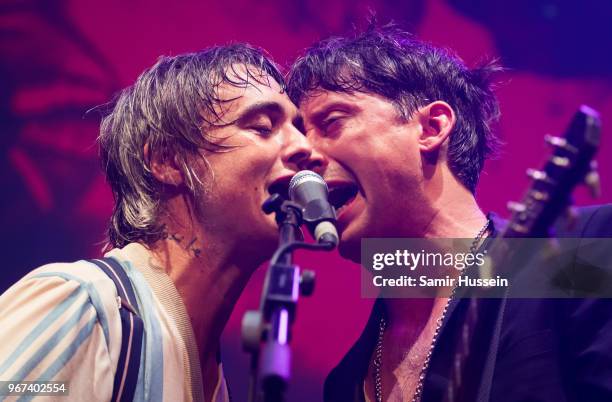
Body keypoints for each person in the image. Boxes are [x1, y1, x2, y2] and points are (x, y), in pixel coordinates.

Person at [287, 25, 612, 401]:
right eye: (299, 137)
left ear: (431, 127)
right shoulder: (345, 383)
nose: (304, 160)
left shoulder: (581, 252)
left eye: (331, 122)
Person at [0, 43, 318, 401]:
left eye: (300, 129)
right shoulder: (83, 306)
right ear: (168, 161)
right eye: (262, 127)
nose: (305, 147)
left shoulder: (213, 377)